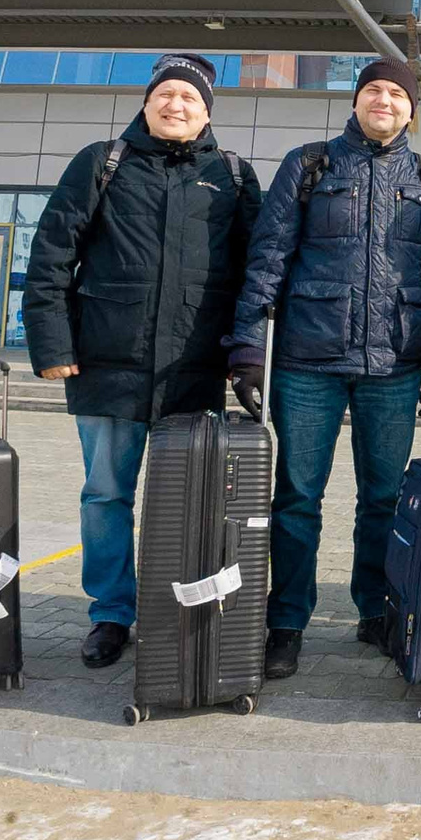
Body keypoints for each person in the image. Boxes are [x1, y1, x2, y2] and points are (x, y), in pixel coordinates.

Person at [22, 52, 261, 669]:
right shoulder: (103, 163)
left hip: (194, 369)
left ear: (207, 111)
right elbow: (51, 256)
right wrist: (53, 345)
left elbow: (255, 277)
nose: (175, 105)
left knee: (185, 502)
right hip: (108, 365)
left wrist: (245, 355)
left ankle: (173, 609)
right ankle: (110, 614)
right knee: (105, 496)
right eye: (166, 94)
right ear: (147, 102)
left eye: (189, 97)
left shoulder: (232, 176)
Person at [228, 59, 421, 680]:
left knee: (383, 498)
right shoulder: (309, 166)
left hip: (394, 362)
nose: (384, 100)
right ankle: (286, 622)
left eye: (396, 93)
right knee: (298, 497)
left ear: (412, 110)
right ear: (355, 102)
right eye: (373, 90)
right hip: (308, 360)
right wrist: (249, 348)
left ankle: (376, 610)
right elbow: (268, 257)